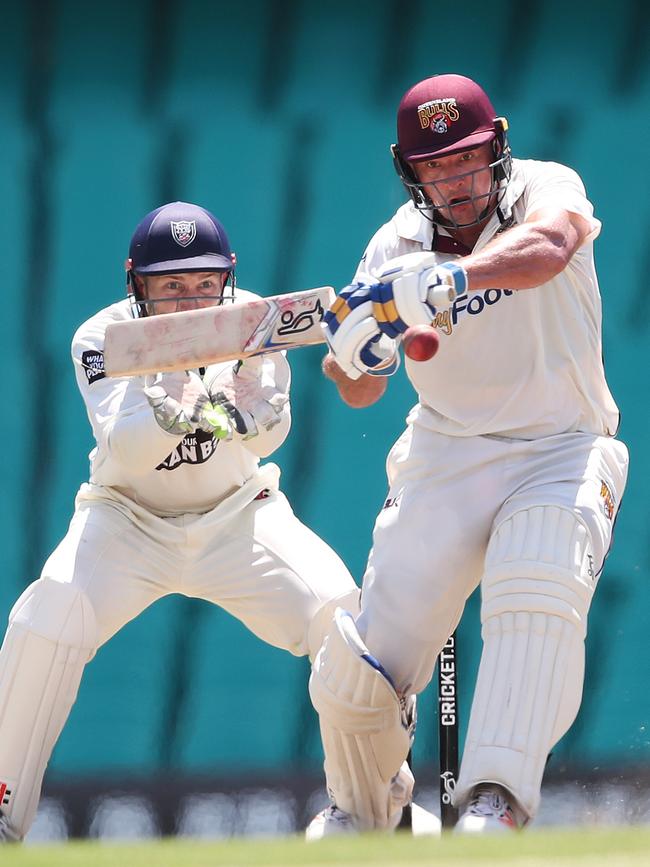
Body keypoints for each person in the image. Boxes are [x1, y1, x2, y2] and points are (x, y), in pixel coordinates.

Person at [307, 73, 629, 836]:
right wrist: (359, 356)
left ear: (498, 149)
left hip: (562, 444)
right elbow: (355, 387)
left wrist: (444, 281)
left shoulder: (548, 188)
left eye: (469, 158)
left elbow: (550, 248)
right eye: (436, 166)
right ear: (411, 172)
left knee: (535, 591)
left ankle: (494, 802)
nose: (456, 179)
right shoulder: (392, 246)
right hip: (447, 452)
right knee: (363, 667)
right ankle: (370, 816)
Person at [0, 201, 360, 843]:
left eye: (204, 284)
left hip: (238, 516)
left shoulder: (257, 320)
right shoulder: (100, 338)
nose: (193, 303)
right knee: (47, 615)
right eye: (171, 287)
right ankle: (3, 815)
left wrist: (248, 412)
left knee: (343, 614)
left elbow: (271, 434)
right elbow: (132, 448)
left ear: (227, 278)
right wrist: (171, 390)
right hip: (126, 521)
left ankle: (367, 811)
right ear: (136, 285)